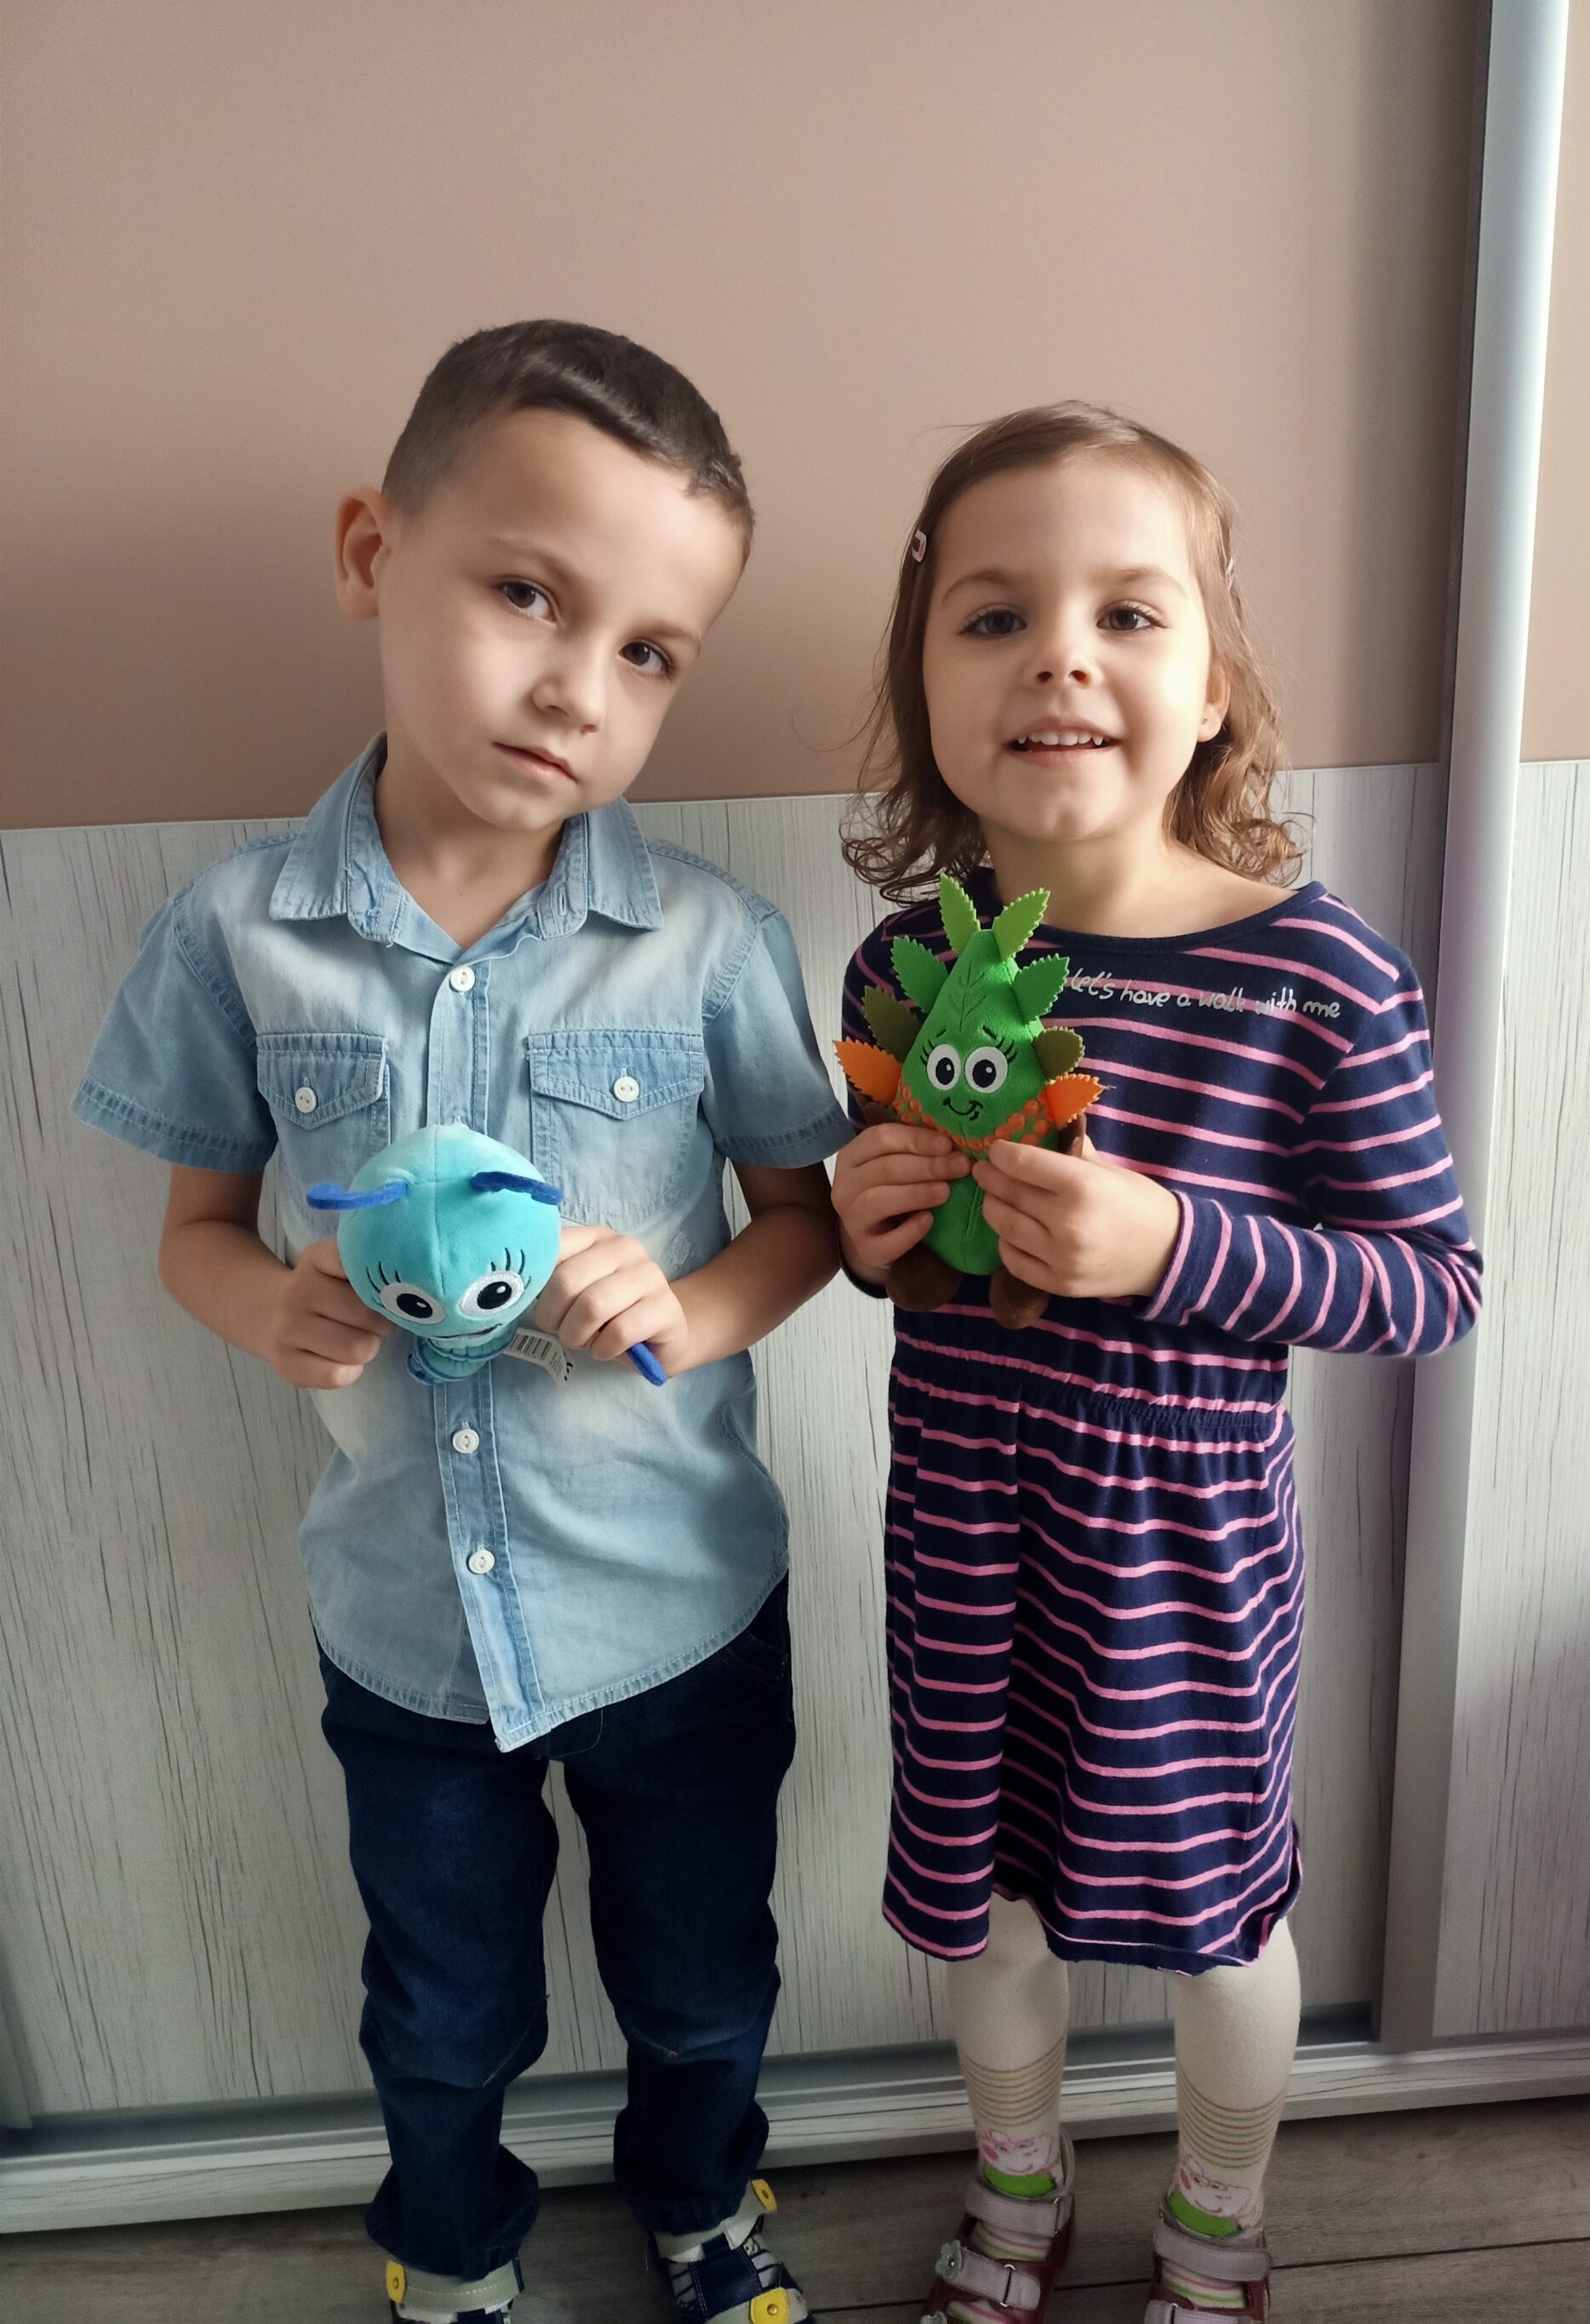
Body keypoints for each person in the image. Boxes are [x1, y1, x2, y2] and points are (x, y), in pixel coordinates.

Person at [75, 320, 849, 2324]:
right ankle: (447, 2247)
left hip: (677, 1604)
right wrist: (273, 1306)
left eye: (651, 651)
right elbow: (191, 1230)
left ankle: (703, 2202)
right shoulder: (239, 934)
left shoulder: (709, 944)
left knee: (704, 1979)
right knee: (437, 2002)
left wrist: (682, 1303)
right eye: (528, 594)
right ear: (372, 553)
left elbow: (806, 1225)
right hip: (406, 1621)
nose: (580, 686)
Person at [831, 403, 1482, 2323]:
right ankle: (1017, 2193)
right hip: (961, 1534)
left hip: (1183, 1562)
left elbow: (1431, 1287)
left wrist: (1176, 1246)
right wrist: (870, 1237)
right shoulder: (896, 974)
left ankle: (1216, 2224)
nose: (1059, 658)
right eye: (994, 617)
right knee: (983, 1903)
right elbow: (912, 1274)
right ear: (927, 684)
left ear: (1211, 691)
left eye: (1127, 613)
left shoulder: (1318, 977)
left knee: (1218, 1925)